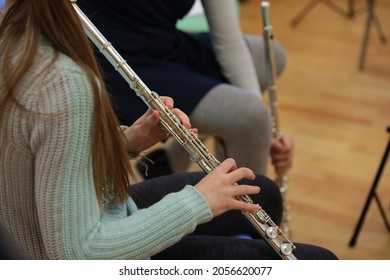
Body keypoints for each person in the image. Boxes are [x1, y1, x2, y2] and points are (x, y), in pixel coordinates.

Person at [0, 0, 337, 260]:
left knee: (263, 192)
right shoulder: (65, 83)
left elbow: (47, 151)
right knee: (322, 261)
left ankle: (171, 165)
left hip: (91, 210)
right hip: (94, 245)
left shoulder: (16, 33)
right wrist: (199, 201)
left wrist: (126, 141)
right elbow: (79, 255)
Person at [77, 0, 294, 179]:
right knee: (249, 116)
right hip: (111, 60)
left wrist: (265, 135)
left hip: (163, 45)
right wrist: (256, 122)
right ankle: (238, 228)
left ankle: (170, 164)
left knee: (268, 56)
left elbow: (228, 43)